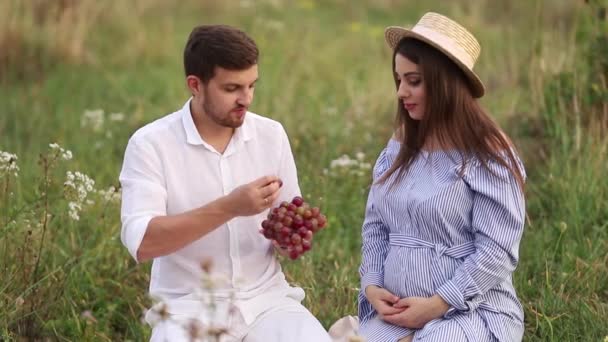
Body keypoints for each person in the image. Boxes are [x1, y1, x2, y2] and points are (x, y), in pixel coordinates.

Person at [119, 24, 331, 342]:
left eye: (251, 86)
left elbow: (287, 228)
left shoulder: (271, 135)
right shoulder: (151, 144)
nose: (245, 99)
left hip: (268, 304)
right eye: (232, 89)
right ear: (195, 85)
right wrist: (230, 207)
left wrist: (290, 239)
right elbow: (144, 243)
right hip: (187, 310)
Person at [358, 12, 527, 342]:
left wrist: (439, 303)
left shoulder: (488, 154)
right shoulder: (399, 145)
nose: (401, 92)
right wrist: (372, 285)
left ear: (444, 82)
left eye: (414, 81)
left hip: (471, 311)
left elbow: (497, 250)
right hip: (396, 311)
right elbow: (376, 226)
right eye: (399, 80)